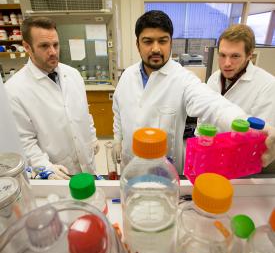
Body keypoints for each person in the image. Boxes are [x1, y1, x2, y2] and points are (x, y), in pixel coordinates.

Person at [112, 10, 275, 174]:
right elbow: (118, 110)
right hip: (130, 166)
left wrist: (248, 124)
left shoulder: (183, 79)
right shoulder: (127, 76)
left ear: (170, 43)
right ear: (137, 44)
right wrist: (117, 139)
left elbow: (214, 105)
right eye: (148, 41)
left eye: (162, 41)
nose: (156, 48)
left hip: (163, 172)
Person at [5, 17, 99, 179]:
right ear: (27, 47)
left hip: (87, 166)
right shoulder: (14, 89)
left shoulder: (73, 74)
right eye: (44, 46)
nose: (53, 52)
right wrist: (45, 167)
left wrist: (92, 136)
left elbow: (84, 112)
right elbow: (25, 141)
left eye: (55, 44)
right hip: (58, 173)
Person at [205, 24, 275, 126]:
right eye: (222, 55)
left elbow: (261, 134)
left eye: (235, 56)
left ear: (249, 55)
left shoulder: (268, 85)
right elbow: (204, 118)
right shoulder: (213, 78)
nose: (227, 63)